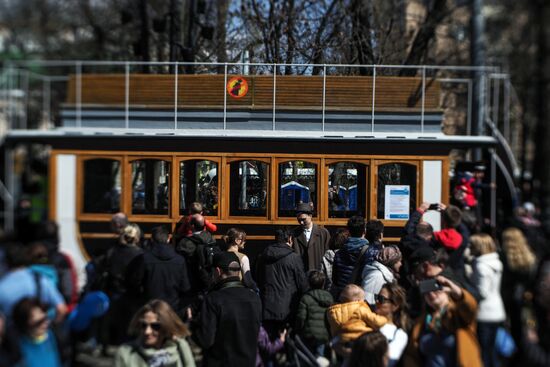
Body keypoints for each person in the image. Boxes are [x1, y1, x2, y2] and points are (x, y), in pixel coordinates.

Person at [192, 252, 261, 367]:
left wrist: (193, 324)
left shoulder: (213, 299)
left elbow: (206, 340)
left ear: (218, 271)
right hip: (249, 362)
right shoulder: (254, 298)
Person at [404, 275, 482, 367]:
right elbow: (411, 355)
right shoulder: (421, 322)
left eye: (435, 290)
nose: (431, 294)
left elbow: (470, 308)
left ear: (446, 292)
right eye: (427, 292)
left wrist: (457, 292)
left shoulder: (458, 314)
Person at [126, 225, 191, 317]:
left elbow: (134, 284)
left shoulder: (144, 259)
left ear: (152, 239)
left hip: (150, 308)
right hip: (172, 308)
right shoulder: (179, 260)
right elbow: (185, 287)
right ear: (168, 238)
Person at [256, 228, 308, 333]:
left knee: (268, 343)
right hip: (288, 308)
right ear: (289, 239)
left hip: (266, 305)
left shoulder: (263, 256)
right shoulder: (294, 258)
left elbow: (257, 277)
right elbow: (302, 283)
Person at [114, 299, 195, 367]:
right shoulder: (126, 353)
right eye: (143, 325)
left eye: (155, 326)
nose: (147, 331)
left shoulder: (180, 349)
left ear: (166, 327)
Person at [0, 243, 66, 323]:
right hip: (41, 331)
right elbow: (61, 309)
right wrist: (52, 327)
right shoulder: (40, 279)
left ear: (6, 263)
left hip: (13, 332)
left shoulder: (2, 287)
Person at [103, 223, 144, 345]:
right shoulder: (140, 254)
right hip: (132, 293)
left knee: (117, 322)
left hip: (115, 291)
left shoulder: (113, 251)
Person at [469, 233, 506, 367]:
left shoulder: (481, 266)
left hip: (484, 313)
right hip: (496, 310)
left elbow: (482, 292)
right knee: (492, 350)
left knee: (484, 351)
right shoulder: (496, 262)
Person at [327, 284, 387, 357]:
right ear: (357, 300)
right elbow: (377, 322)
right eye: (363, 299)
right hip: (360, 340)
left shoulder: (332, 312)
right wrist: (385, 319)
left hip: (341, 341)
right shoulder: (359, 308)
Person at [10, 297, 64, 367]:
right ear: (25, 325)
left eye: (45, 318)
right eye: (38, 322)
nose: (46, 323)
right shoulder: (18, 348)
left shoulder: (53, 336)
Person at [175, 214, 219, 293]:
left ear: (192, 225)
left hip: (191, 282)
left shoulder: (185, 243)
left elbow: (178, 263)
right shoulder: (211, 239)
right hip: (209, 281)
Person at [295, 270, 334, 358]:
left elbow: (301, 317)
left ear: (309, 283)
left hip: (309, 334)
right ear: (323, 284)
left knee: (309, 358)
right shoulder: (329, 297)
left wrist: (298, 330)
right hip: (324, 335)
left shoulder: (306, 298)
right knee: (320, 358)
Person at [331, 216, 369, 299]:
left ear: (349, 231)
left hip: (344, 296)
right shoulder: (368, 252)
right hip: (359, 296)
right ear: (364, 231)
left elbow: (335, 279)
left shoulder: (339, 253)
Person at [375, 283, 409, 367]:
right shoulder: (366, 320)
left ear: (395, 306)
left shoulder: (399, 335)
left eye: (381, 299)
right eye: (376, 297)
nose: (376, 301)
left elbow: (388, 363)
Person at [293, 203, 331, 272]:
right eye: (299, 220)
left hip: (318, 273)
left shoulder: (323, 233)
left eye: (303, 219)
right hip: (302, 273)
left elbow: (327, 254)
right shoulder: (294, 234)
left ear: (310, 216)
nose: (301, 222)